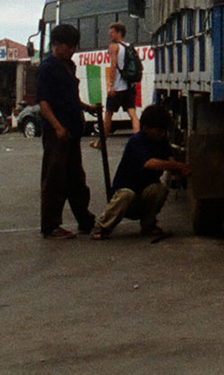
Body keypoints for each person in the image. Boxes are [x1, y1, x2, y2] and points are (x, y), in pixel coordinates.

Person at [92, 104, 186, 241]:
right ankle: (102, 226)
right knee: (126, 194)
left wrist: (181, 168)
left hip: (144, 195)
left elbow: (170, 160)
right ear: (146, 128)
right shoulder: (137, 141)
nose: (162, 134)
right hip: (125, 197)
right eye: (158, 130)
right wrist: (176, 165)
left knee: (159, 189)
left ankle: (149, 224)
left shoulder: (162, 142)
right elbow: (149, 163)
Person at [36, 23, 94, 239]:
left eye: (74, 46)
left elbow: (72, 99)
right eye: (69, 46)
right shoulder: (47, 68)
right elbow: (43, 103)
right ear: (57, 44)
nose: (72, 50)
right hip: (57, 134)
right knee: (55, 179)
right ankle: (50, 225)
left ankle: (85, 219)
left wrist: (88, 108)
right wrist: (57, 127)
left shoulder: (69, 66)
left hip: (72, 131)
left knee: (76, 178)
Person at [94, 22, 142, 149]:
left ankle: (101, 143)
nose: (109, 35)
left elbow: (113, 67)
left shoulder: (114, 47)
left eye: (112, 32)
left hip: (117, 88)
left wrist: (111, 86)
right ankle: (138, 142)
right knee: (133, 114)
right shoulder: (128, 46)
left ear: (118, 32)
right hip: (129, 86)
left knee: (108, 114)